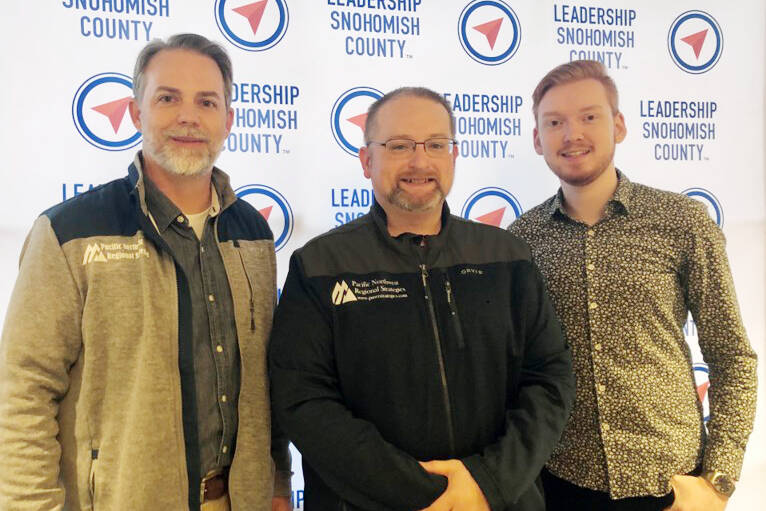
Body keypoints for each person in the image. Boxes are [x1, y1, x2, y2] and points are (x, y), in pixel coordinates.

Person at [0, 33, 291, 511]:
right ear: (136, 113)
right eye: (167, 98)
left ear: (229, 121)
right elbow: (24, 391)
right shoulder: (70, 232)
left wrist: (278, 484)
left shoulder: (253, 234)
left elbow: (265, 378)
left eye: (207, 102)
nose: (188, 117)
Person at [269, 87, 575, 510]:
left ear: (453, 155)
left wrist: (487, 484)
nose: (419, 161)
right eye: (398, 146)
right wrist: (429, 495)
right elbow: (302, 400)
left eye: (435, 144)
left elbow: (550, 376)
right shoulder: (320, 264)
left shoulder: (507, 256)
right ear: (366, 160)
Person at [509, 60, 758, 511]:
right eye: (554, 122)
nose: (572, 134)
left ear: (618, 125)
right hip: (561, 484)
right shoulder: (520, 240)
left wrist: (718, 481)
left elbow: (732, 356)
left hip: (671, 484)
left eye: (589, 116)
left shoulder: (681, 221)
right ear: (537, 138)